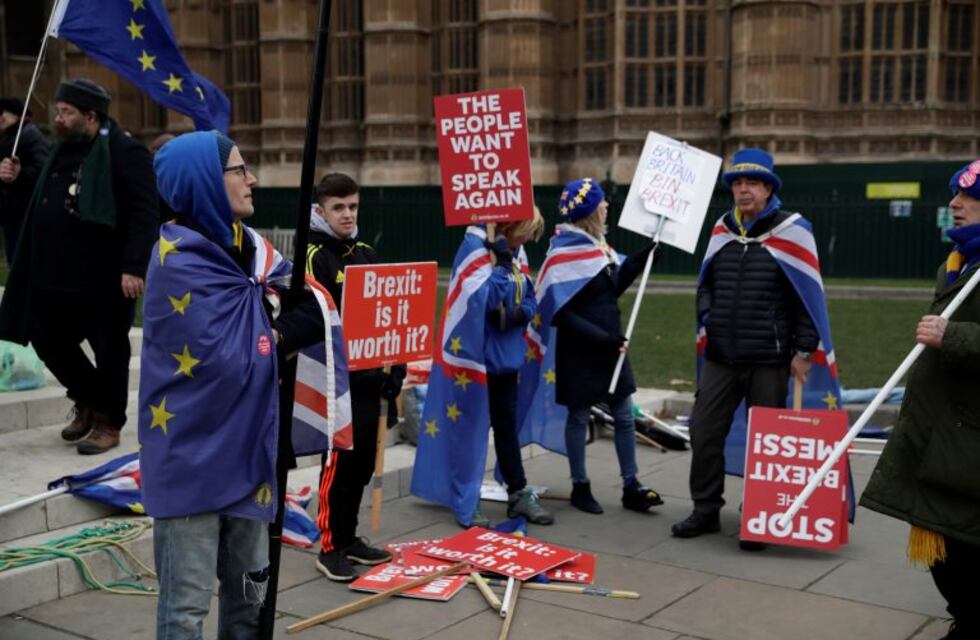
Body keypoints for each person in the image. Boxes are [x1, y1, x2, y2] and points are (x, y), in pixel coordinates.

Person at [144, 130, 327, 639]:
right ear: (204, 180)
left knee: (251, 600)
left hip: (250, 460)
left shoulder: (256, 252)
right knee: (185, 609)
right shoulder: (176, 260)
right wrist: (271, 334)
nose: (253, 180)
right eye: (239, 170)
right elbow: (224, 360)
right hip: (192, 461)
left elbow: (314, 310)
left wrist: (271, 331)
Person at [0, 79, 158, 454]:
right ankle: (90, 400)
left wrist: (134, 265)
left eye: (66, 112)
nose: (59, 118)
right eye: (58, 111)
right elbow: (41, 201)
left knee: (110, 349)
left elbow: (144, 212)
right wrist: (18, 179)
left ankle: (108, 423)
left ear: (91, 116)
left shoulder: (124, 152)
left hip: (104, 279)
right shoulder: (60, 151)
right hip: (55, 277)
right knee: (46, 339)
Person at [671, 148, 819, 548]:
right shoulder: (722, 230)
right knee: (704, 432)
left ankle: (761, 518)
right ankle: (705, 510)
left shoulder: (793, 231)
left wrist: (803, 351)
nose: (743, 190)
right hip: (721, 354)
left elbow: (807, 297)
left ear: (769, 189)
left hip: (769, 360)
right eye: (737, 183)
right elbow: (707, 285)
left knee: (765, 446)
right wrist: (708, 319)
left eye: (752, 183)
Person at [860, 160, 980, 640]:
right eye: (956, 195)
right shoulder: (957, 264)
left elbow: (957, 338)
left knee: (964, 547)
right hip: (944, 433)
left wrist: (956, 336)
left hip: (969, 438)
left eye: (971, 198)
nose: (954, 204)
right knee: (946, 546)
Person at [306, 172, 406, 581]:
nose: (348, 215)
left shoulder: (366, 252)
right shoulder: (315, 257)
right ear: (320, 211)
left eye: (353, 207)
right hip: (338, 384)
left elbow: (391, 315)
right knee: (340, 465)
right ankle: (330, 546)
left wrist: (394, 369)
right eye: (338, 208)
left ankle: (349, 538)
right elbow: (321, 325)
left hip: (371, 383)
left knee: (363, 462)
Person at [551, 178, 664, 515]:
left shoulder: (599, 246)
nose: (606, 206)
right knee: (579, 415)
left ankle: (632, 485)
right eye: (601, 203)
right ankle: (580, 486)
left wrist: (643, 259)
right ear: (589, 210)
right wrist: (602, 338)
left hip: (611, 345)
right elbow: (561, 312)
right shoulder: (564, 250)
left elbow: (611, 287)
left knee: (624, 415)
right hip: (582, 348)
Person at [474, 209, 554, 528]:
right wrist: (503, 267)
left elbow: (530, 300)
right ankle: (467, 496)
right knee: (476, 429)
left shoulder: (516, 254)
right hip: (479, 359)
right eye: (528, 232)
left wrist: (516, 315)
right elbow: (485, 300)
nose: (530, 239)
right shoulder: (482, 250)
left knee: (506, 426)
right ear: (512, 227)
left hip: (507, 357)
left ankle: (518, 492)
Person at [0, 96, 51, 264]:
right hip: (13, 212)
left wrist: (19, 175)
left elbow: (42, 172)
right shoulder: (12, 137)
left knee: (22, 262)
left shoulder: (30, 136)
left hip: (24, 212)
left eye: (3, 114)